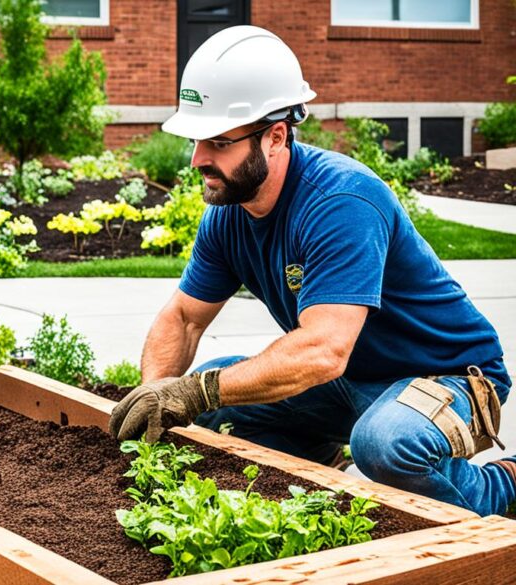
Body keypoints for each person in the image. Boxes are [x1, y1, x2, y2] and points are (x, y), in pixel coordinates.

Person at [108, 25, 515, 517]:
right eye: (197, 141)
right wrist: (158, 392)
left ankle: (502, 486)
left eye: (218, 141)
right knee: (219, 400)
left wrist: (194, 392)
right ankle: (319, 474)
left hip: (448, 375)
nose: (199, 159)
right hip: (351, 379)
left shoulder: (341, 203)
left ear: (275, 136)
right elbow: (185, 318)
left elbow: (323, 350)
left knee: (385, 444)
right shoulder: (228, 214)